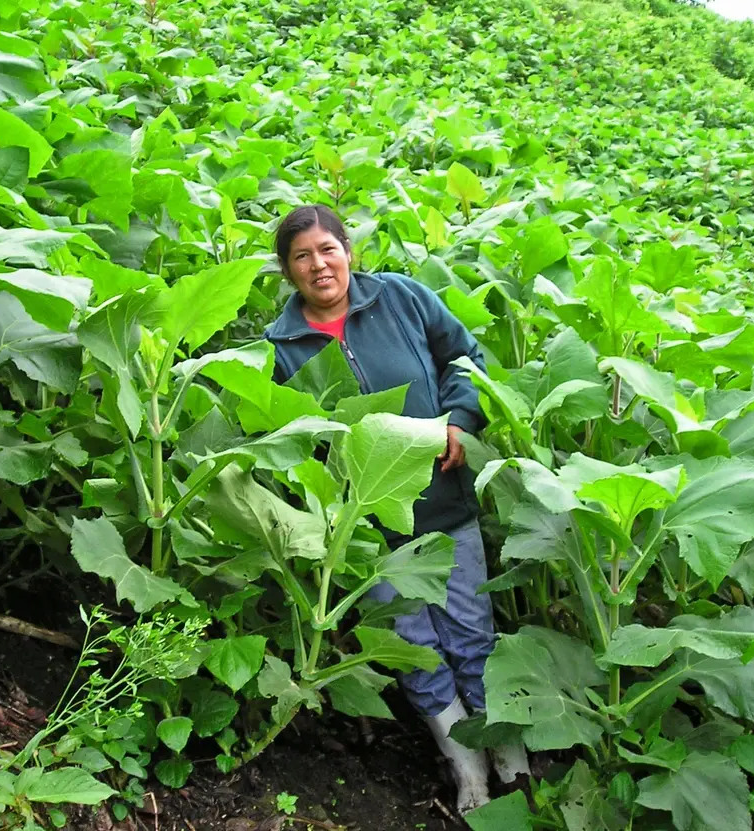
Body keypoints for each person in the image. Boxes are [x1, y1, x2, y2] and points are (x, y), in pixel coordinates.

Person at [264, 204, 528, 814]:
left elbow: (465, 358)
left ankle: (509, 757)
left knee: (472, 633)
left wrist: (462, 419)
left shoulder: (403, 298)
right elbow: (288, 442)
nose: (318, 265)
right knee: (413, 648)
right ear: (288, 271)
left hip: (443, 501)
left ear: (347, 250)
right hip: (366, 529)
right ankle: (469, 773)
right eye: (301, 256)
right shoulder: (280, 347)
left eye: (327, 249)